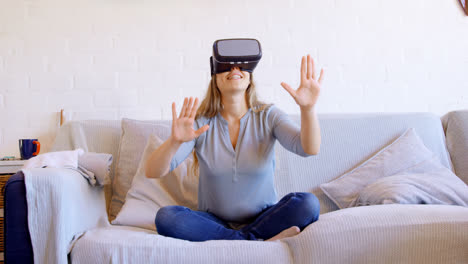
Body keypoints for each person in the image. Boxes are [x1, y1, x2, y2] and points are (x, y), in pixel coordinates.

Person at [145, 47, 324, 242]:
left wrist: (308, 109)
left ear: (249, 78)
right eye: (227, 66)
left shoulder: (268, 116)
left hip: (266, 218)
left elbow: (309, 148)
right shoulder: (200, 123)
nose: (234, 69)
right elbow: (153, 171)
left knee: (308, 204)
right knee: (166, 217)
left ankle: (238, 240)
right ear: (215, 77)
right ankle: (255, 241)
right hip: (214, 222)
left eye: (241, 65)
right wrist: (174, 141)